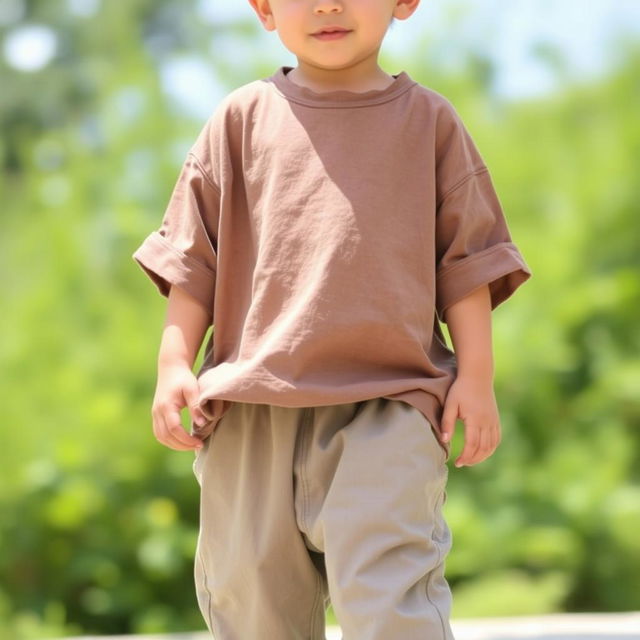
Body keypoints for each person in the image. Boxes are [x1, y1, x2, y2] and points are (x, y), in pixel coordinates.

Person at [131, 0, 531, 638]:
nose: (328, 5)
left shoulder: (429, 122)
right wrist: (173, 362)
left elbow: (469, 263)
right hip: (249, 408)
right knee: (255, 606)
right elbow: (192, 259)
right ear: (263, 8)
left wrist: (476, 378)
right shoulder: (240, 119)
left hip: (390, 404)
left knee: (391, 603)